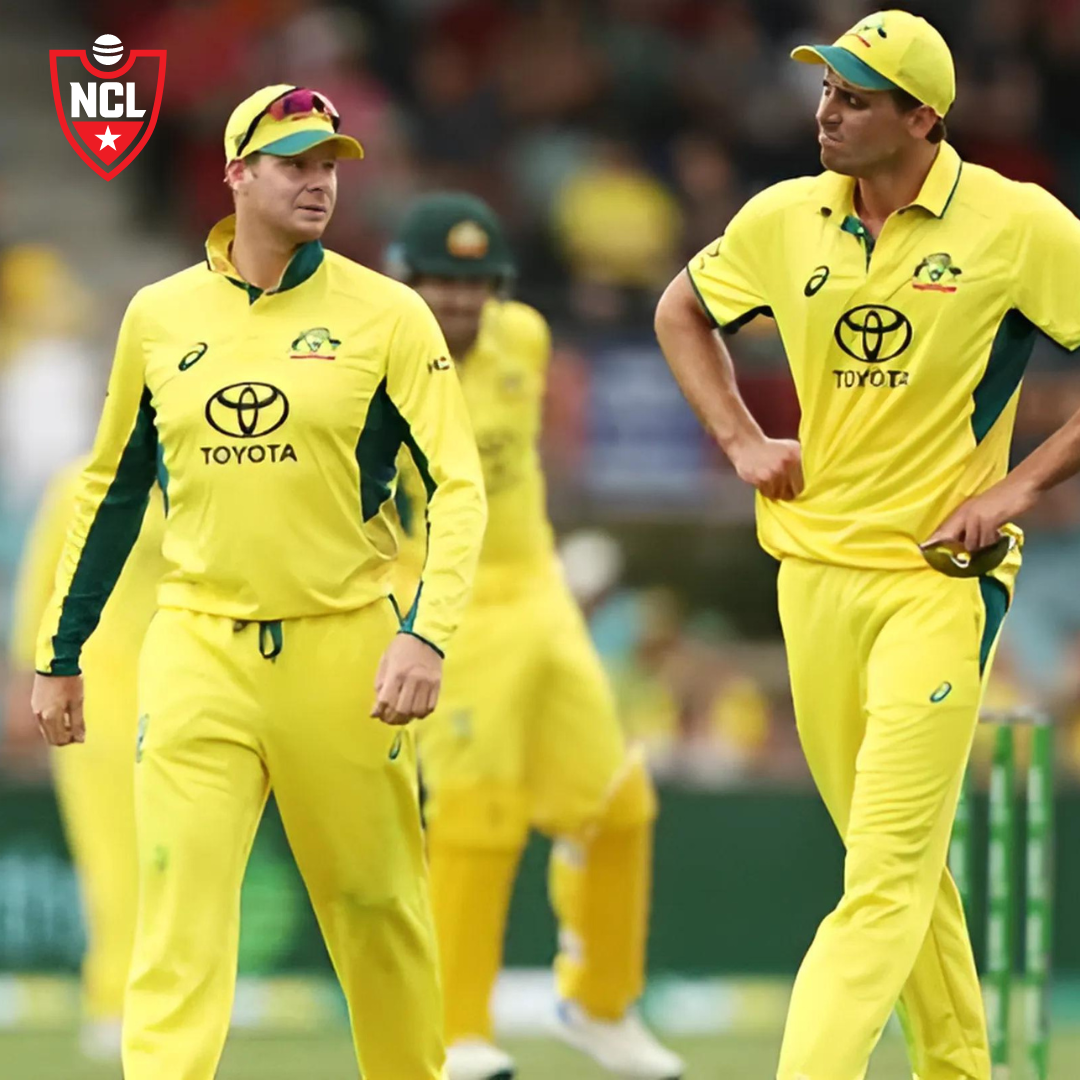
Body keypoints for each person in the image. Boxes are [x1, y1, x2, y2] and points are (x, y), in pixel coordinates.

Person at [655, 10, 1080, 1079]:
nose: (825, 113)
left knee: (883, 879)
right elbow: (680, 311)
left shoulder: (1018, 225)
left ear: (921, 118)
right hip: (814, 578)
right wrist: (741, 439)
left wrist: (1018, 488)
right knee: (898, 864)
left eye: (854, 97)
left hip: (939, 586)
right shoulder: (784, 217)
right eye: (825, 90)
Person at [31, 85, 487, 1080]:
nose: (320, 181)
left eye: (330, 164)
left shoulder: (388, 315)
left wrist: (426, 631)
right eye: (295, 162)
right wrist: (59, 656)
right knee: (179, 906)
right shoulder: (158, 318)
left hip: (345, 649)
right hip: (198, 650)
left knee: (378, 912)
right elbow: (110, 492)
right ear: (238, 173)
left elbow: (459, 484)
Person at [388, 193, 683, 1080]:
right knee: (476, 817)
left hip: (540, 591)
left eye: (475, 283)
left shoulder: (527, 338)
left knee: (618, 804)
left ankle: (596, 1006)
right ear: (406, 281)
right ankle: (457, 1032)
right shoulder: (377, 357)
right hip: (446, 604)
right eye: (440, 281)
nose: (459, 301)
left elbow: (538, 450)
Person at [6, 460, 164, 1061]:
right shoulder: (79, 485)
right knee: (113, 855)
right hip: (95, 695)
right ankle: (114, 1003)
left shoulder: (201, 477)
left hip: (183, 691)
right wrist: (32, 672)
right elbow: (40, 583)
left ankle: (169, 998)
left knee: (174, 858)